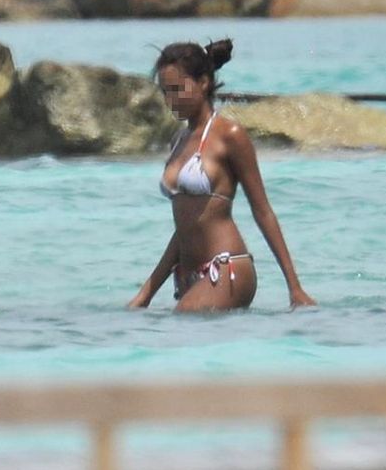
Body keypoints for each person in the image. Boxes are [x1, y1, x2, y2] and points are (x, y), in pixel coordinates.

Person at [127, 39, 316, 312]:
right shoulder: (178, 141)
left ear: (203, 83)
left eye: (178, 89)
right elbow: (186, 228)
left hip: (227, 268)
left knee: (183, 319)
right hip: (190, 277)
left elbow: (262, 211)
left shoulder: (230, 135)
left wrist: (294, 287)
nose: (171, 100)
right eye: (166, 92)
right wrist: (146, 293)